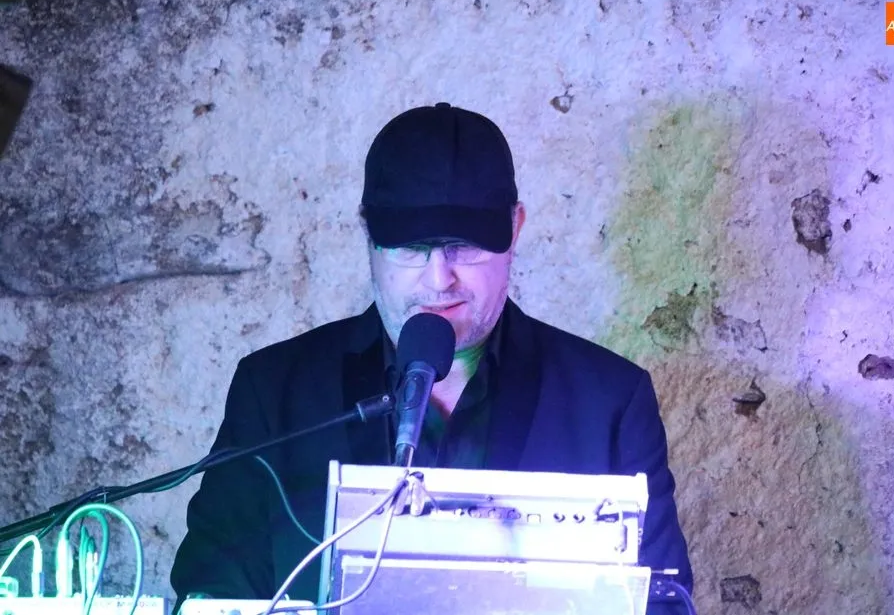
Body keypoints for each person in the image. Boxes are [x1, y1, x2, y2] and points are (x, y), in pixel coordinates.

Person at [169, 102, 693, 613]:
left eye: (464, 247)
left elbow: (663, 604)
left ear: (514, 229)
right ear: (367, 233)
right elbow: (210, 588)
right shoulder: (273, 389)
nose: (440, 280)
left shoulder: (610, 402)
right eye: (412, 249)